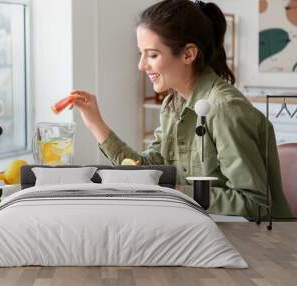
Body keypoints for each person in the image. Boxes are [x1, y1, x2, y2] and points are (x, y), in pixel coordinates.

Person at [71, 0, 291, 218]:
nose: (142, 65)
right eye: (141, 53)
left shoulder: (224, 109)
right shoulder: (172, 105)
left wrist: (176, 193)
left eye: (153, 54)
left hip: (259, 243)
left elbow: (256, 204)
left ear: (188, 54)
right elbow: (148, 169)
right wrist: (95, 123)